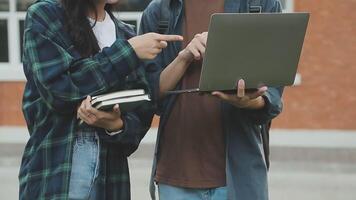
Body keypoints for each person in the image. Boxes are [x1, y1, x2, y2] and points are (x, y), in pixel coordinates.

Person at [19, 0, 182, 199]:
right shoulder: (45, 15)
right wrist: (128, 52)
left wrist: (117, 125)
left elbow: (141, 115)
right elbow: (60, 90)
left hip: (112, 181)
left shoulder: (127, 34)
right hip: (56, 174)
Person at [140, 0, 284, 199]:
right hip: (175, 179)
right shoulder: (159, 10)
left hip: (240, 179)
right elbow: (150, 94)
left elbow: (272, 98)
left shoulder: (260, 4)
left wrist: (247, 102)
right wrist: (185, 57)